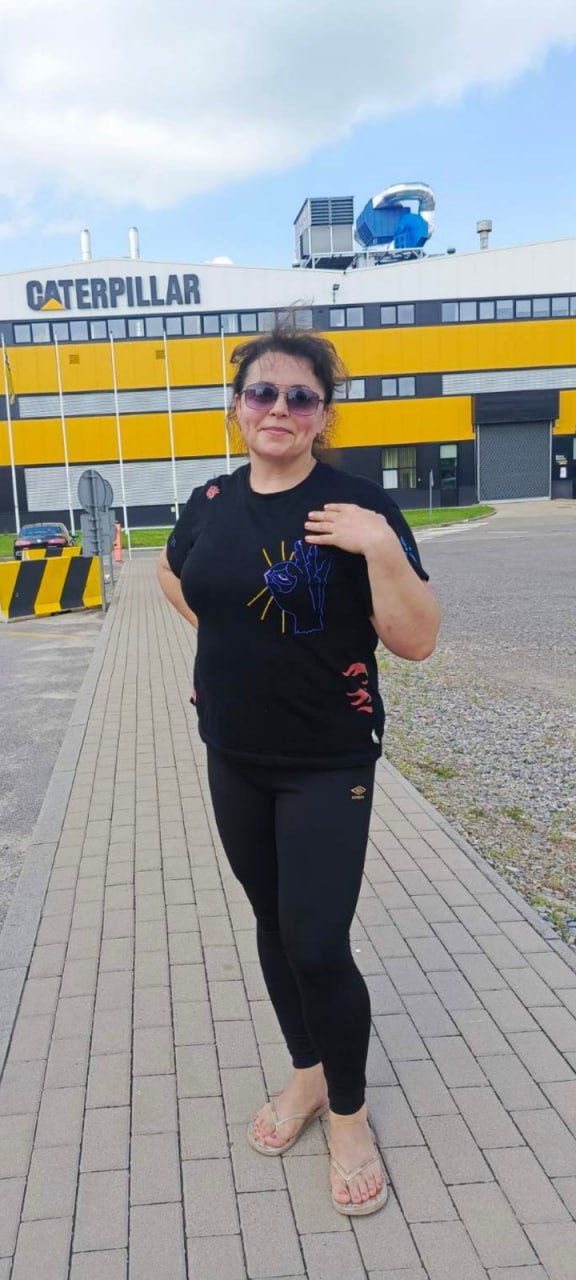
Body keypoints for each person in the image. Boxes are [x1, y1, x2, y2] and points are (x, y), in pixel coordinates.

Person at [157, 327, 440, 1215]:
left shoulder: (358, 506)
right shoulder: (209, 500)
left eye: (300, 396)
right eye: (262, 392)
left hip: (327, 760)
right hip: (233, 753)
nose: (278, 408)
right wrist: (227, 646)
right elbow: (173, 574)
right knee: (274, 927)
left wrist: (379, 547)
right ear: (237, 405)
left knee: (317, 942)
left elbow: (417, 641)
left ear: (323, 413)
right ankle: (308, 1076)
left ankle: (349, 1115)